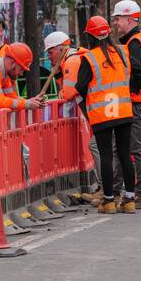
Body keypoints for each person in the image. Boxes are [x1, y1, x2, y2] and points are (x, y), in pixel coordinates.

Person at [75, 16, 136, 214]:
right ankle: (130, 199)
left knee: (106, 156)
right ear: (108, 33)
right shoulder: (123, 52)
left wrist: (91, 98)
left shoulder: (89, 58)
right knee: (126, 154)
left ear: (90, 36)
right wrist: (129, 91)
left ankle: (108, 201)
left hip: (102, 114)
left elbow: (80, 86)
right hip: (124, 111)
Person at [46, 30, 102, 199]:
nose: (49, 57)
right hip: (100, 111)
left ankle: (107, 190)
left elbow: (67, 93)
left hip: (99, 111)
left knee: (97, 146)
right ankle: (108, 189)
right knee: (101, 147)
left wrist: (59, 82)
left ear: (61, 48)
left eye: (50, 52)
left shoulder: (72, 61)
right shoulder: (73, 59)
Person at [112, 0, 141, 209]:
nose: (116, 23)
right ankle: (131, 192)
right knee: (128, 147)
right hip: (138, 99)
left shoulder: (135, 42)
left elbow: (137, 72)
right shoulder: (136, 41)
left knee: (136, 148)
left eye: (118, 19)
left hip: (137, 101)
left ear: (130, 19)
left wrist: (129, 93)